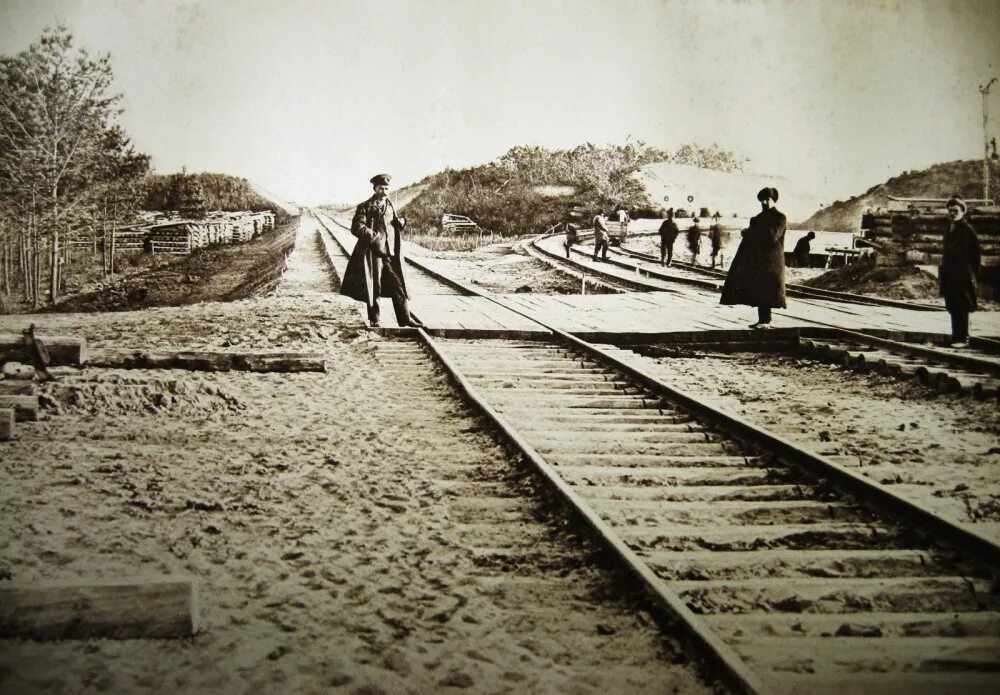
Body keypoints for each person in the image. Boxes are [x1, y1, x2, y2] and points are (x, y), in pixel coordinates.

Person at [340, 173, 423, 328]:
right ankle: (374, 319)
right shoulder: (365, 206)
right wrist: (375, 238)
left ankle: (405, 319)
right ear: (375, 189)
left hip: (391, 254)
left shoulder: (390, 205)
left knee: (399, 285)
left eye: (387, 188)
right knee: (374, 286)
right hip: (373, 254)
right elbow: (357, 227)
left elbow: (393, 225)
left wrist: (402, 222)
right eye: (381, 188)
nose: (384, 191)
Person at [720, 187, 787, 329]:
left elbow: (771, 236)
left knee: (767, 289)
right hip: (758, 259)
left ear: (773, 200)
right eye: (762, 200)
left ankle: (766, 321)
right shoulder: (757, 218)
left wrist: (750, 232)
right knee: (759, 289)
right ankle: (763, 320)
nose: (764, 202)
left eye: (767, 199)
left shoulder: (779, 218)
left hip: (771, 261)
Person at [939, 197, 981, 347]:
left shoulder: (967, 230)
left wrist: (971, 273)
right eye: (950, 211)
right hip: (950, 274)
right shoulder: (949, 229)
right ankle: (956, 337)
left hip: (962, 275)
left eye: (956, 211)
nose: (952, 213)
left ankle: (963, 338)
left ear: (963, 212)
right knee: (952, 305)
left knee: (961, 306)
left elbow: (975, 256)